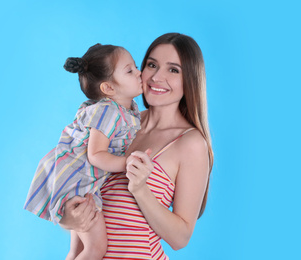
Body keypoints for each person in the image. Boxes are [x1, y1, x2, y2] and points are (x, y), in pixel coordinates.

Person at [59, 33, 214, 259]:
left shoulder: (190, 143)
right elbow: (79, 183)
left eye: (173, 70)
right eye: (152, 65)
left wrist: (140, 189)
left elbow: (180, 238)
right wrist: (69, 220)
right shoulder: (115, 123)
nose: (156, 77)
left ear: (190, 79)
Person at [24, 43, 143, 260]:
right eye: (130, 70)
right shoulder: (108, 111)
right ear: (108, 88)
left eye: (135, 67)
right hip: (77, 183)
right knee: (95, 249)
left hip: (78, 180)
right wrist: (127, 162)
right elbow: (96, 155)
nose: (139, 72)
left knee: (77, 250)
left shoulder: (125, 111)